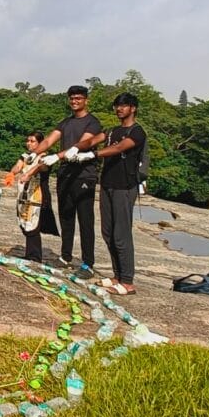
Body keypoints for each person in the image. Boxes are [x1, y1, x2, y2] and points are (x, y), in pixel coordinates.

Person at [74, 93, 147, 295]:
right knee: (108, 232)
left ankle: (127, 282)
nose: (119, 109)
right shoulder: (112, 131)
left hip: (125, 186)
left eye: (124, 106)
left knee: (121, 234)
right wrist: (74, 149)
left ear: (133, 108)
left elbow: (120, 147)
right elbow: (92, 140)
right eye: (117, 105)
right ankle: (117, 276)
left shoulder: (137, 131)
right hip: (107, 185)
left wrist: (93, 154)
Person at [35, 85, 104, 278]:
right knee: (66, 217)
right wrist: (34, 153)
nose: (75, 101)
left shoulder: (92, 123)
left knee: (85, 220)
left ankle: (87, 263)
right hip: (65, 174)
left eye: (79, 98)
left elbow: (81, 145)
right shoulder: (65, 123)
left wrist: (56, 157)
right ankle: (65, 256)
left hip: (84, 175)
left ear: (86, 100)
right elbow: (49, 140)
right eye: (72, 98)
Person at [5, 130, 60, 262]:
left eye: (32, 141)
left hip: (37, 195)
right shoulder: (25, 156)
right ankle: (30, 253)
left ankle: (34, 256)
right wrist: (12, 173)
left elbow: (42, 167)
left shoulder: (44, 157)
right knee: (24, 223)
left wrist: (29, 173)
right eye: (28, 141)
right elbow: (18, 166)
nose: (29, 143)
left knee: (33, 225)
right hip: (24, 194)